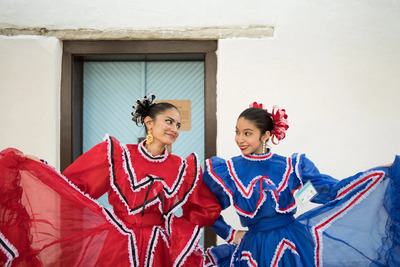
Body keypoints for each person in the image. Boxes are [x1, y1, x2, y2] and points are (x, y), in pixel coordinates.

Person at [0, 94, 221, 266]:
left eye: (178, 125)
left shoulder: (183, 167)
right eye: (169, 122)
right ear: (149, 123)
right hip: (119, 243)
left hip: (160, 249)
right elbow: (72, 185)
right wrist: (39, 166)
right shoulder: (117, 155)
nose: (174, 129)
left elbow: (203, 208)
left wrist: (175, 232)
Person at [203, 102, 399, 266]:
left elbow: (331, 191)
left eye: (247, 133)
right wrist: (230, 234)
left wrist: (378, 172)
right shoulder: (229, 170)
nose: (239, 139)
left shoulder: (292, 167)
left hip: (291, 244)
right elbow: (204, 206)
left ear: (265, 135)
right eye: (237, 132)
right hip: (254, 247)